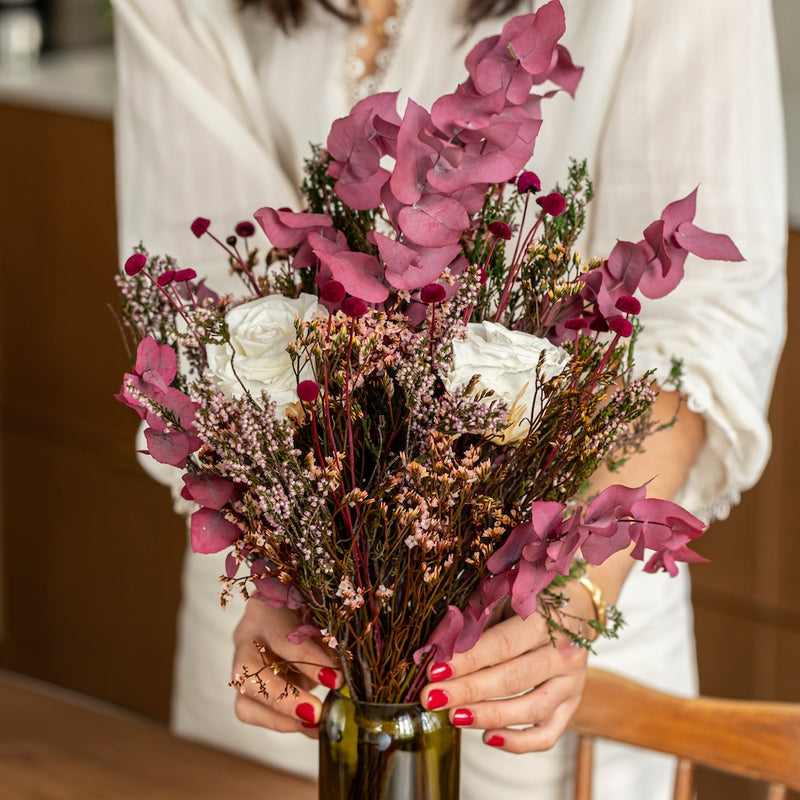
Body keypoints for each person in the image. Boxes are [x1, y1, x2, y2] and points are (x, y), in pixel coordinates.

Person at [110, 0, 787, 797]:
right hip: (283, 651)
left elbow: (697, 328)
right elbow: (211, 318)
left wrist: (564, 596)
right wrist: (281, 571)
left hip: (533, 676)